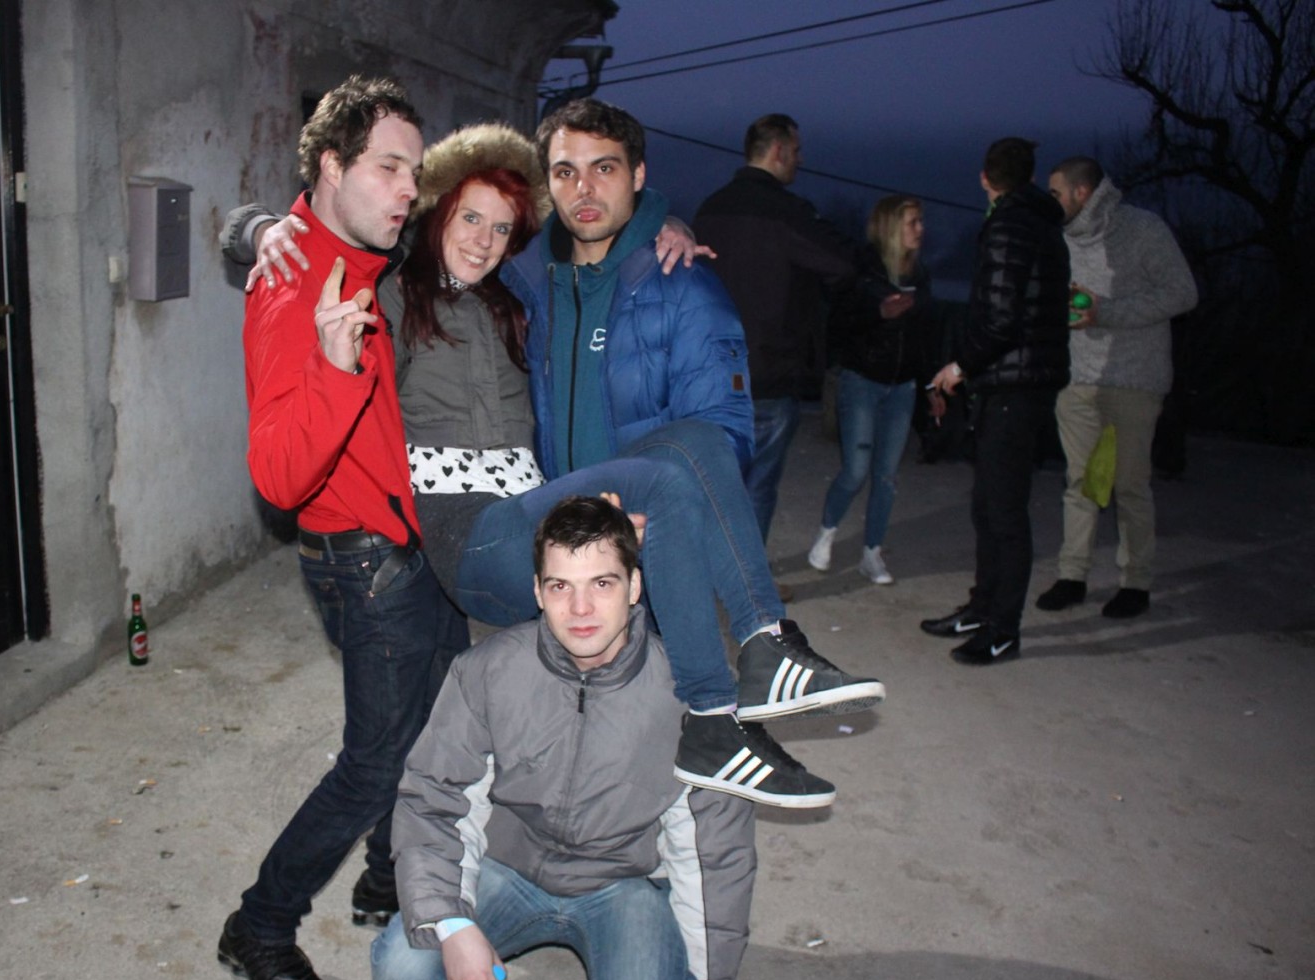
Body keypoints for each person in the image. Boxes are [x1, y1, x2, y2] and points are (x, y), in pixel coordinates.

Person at [235, 114, 884, 806]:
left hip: (538, 509)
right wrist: (260, 227)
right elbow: (324, 243)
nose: (483, 240)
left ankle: (764, 641)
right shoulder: (393, 294)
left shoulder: (519, 295)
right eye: (469, 218)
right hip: (470, 535)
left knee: (695, 441)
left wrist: (665, 226)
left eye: (501, 227)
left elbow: (594, 246)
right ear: (439, 210)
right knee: (661, 487)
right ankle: (711, 712)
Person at [216, 74, 471, 980]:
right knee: (372, 763)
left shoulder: (363, 249)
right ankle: (260, 923)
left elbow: (490, 228)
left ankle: (385, 877)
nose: (408, 190)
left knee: (433, 727)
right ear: (331, 166)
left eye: (414, 171)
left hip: (409, 541)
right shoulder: (291, 284)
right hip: (362, 561)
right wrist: (332, 366)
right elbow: (279, 479)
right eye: (388, 168)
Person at [371, 495, 755, 980]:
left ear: (634, 586)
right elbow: (434, 799)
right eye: (559, 586)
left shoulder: (690, 690)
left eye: (602, 583)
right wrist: (453, 926)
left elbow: (715, 850)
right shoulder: (488, 670)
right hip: (509, 868)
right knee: (399, 969)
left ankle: (640, 971)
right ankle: (475, 964)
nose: (580, 609)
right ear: (536, 591)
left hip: (621, 883)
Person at [922, 137, 1070, 665]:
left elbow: (1001, 318)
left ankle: (1003, 629)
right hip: (1016, 380)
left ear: (986, 178)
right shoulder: (1040, 222)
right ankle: (981, 609)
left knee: (1004, 513)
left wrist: (959, 366)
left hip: (1014, 385)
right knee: (987, 505)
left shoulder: (1011, 224)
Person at [1034, 156, 1197, 619]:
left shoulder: (1143, 229)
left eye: (1056, 192)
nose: (1050, 201)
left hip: (1134, 378)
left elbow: (1183, 293)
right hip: (1075, 376)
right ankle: (1072, 575)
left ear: (1081, 192)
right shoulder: (1057, 237)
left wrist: (1105, 311)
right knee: (1079, 482)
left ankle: (1135, 582)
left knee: (1129, 485)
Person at [692, 114, 857, 544]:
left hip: (711, 373)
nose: (800, 160)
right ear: (779, 150)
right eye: (797, 151)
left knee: (713, 485)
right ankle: (745, 576)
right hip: (768, 371)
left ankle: (709, 570)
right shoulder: (787, 212)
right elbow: (841, 263)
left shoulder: (711, 208)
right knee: (758, 486)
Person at [807, 195, 934, 585]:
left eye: (920, 221)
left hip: (903, 388)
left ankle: (871, 554)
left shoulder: (920, 274)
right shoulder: (862, 270)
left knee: (887, 477)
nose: (920, 229)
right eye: (912, 222)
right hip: (862, 381)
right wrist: (879, 313)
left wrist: (931, 384)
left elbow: (924, 337)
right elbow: (839, 326)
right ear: (891, 227)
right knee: (856, 470)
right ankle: (826, 533)